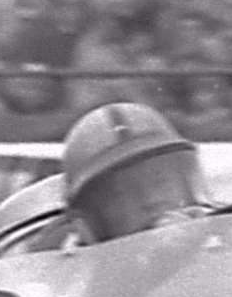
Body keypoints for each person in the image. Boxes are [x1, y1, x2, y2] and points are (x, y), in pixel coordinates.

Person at [56, 100, 214, 241]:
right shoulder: (70, 270)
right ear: (90, 224)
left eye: (161, 183)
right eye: (123, 194)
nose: (152, 200)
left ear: (185, 184)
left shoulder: (223, 245)